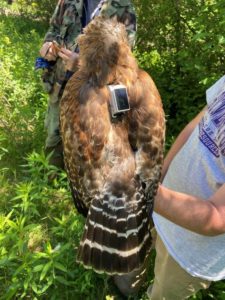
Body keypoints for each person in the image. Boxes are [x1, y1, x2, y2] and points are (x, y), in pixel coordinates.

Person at [148, 75, 225, 299]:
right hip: (163, 201)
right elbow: (197, 125)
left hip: (190, 250)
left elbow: (217, 217)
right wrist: (158, 175)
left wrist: (141, 190)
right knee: (144, 248)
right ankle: (130, 280)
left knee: (162, 292)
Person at [39, 0, 137, 168]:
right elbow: (54, 29)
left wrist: (82, 64)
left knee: (86, 146)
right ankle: (50, 183)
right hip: (60, 84)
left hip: (95, 94)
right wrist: (47, 46)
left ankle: (77, 188)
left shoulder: (124, 8)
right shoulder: (67, 2)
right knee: (54, 139)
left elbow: (123, 61)